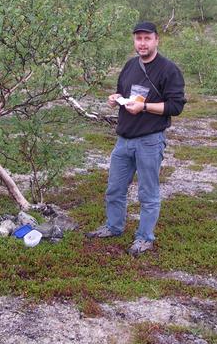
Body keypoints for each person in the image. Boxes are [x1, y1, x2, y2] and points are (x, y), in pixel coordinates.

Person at [86, 21, 186, 257]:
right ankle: (113, 226)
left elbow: (176, 106)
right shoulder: (130, 65)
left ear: (156, 40)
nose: (142, 43)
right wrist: (116, 99)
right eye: (138, 39)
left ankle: (144, 238)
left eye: (147, 38)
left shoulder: (169, 70)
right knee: (115, 189)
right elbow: (124, 92)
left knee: (148, 194)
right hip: (124, 139)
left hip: (150, 141)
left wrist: (143, 108)